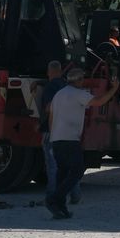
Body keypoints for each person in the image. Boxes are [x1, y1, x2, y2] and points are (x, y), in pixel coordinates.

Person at [44, 67, 118, 220]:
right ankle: (53, 199)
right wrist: (114, 89)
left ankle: (60, 207)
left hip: (56, 139)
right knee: (77, 171)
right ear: (78, 80)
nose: (83, 81)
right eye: (82, 79)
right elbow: (100, 102)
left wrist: (53, 134)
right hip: (70, 139)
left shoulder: (59, 94)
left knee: (62, 173)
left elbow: (51, 115)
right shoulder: (78, 94)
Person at [34, 61, 78, 206]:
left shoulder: (50, 88)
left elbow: (48, 108)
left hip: (52, 131)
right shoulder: (67, 86)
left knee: (52, 166)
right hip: (69, 131)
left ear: (49, 72)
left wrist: (41, 124)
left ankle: (51, 196)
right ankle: (75, 194)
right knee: (69, 165)